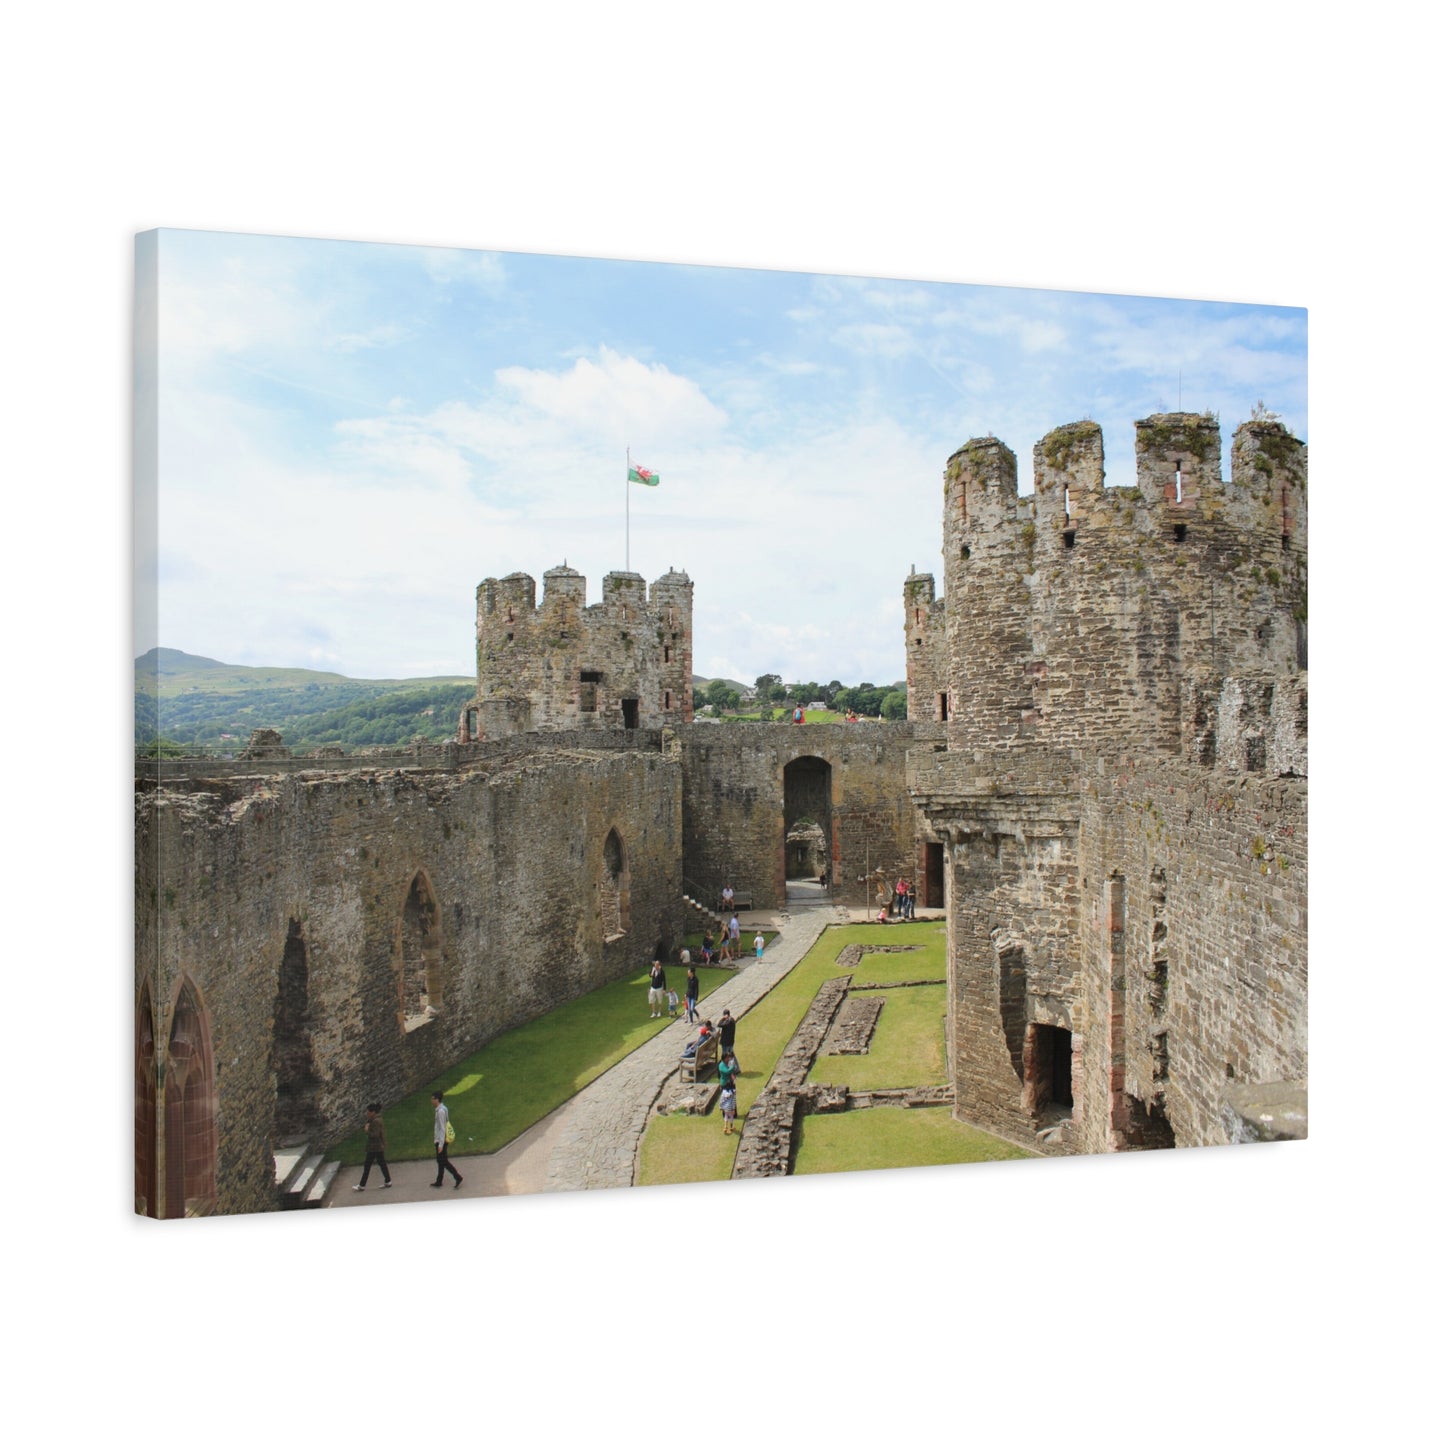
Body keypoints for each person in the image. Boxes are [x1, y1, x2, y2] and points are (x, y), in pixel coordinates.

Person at [353, 1102, 392, 1190]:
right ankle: (388, 1181)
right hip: (377, 1147)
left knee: (367, 1165)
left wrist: (367, 1130)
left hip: (375, 1147)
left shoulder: (376, 1121)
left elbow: (375, 1135)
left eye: (368, 1112)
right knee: (382, 1164)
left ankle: (362, 1185)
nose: (367, 1114)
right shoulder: (375, 1120)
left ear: (373, 1112)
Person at [430, 1091, 463, 1190]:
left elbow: (442, 1128)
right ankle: (439, 1180)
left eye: (432, 1098)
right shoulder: (442, 1109)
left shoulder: (440, 1111)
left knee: (443, 1161)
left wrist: (440, 1144)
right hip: (442, 1139)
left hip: (442, 1140)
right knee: (441, 1161)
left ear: (437, 1099)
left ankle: (457, 1177)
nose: (431, 1100)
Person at [718, 1049, 740, 1133]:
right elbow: (726, 1072)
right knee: (726, 1099)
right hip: (725, 1084)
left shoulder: (727, 1063)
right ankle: (725, 1114)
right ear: (724, 1058)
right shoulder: (721, 1065)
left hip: (730, 1083)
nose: (729, 1059)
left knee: (732, 1098)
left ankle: (733, 1113)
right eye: (727, 1057)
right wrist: (732, 1067)